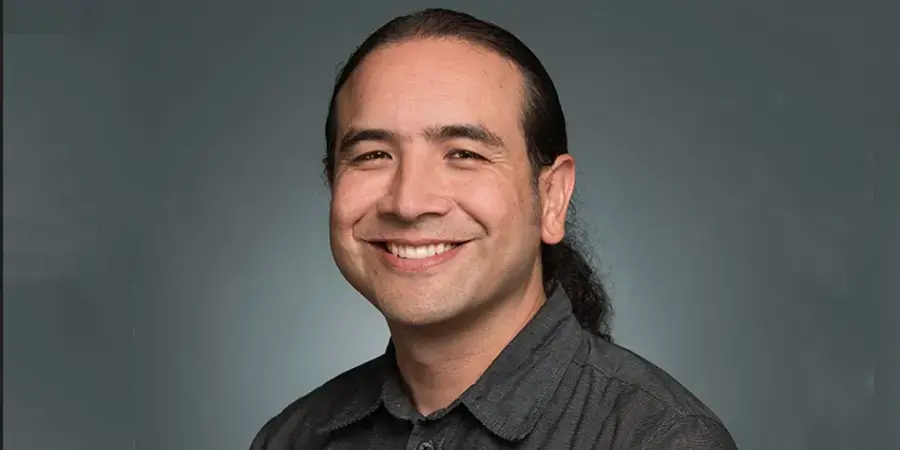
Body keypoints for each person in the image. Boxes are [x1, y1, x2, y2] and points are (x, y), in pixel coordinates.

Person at [250, 8, 737, 450]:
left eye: (464, 153)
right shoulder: (292, 439)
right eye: (373, 155)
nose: (409, 201)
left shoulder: (661, 439)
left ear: (551, 198)